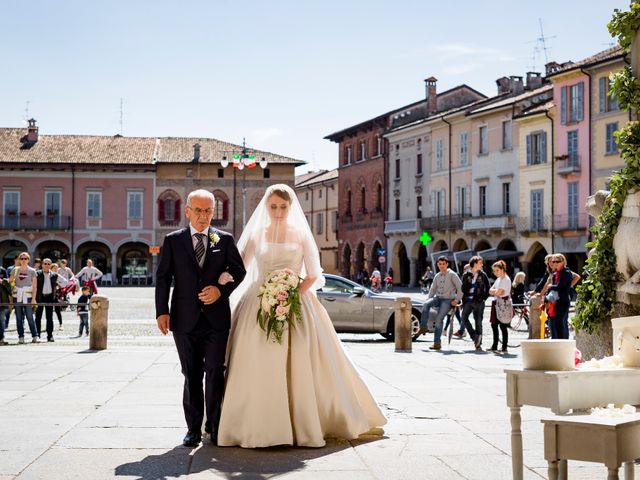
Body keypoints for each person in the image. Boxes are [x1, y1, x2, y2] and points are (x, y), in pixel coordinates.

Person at [218, 184, 386, 448]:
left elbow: (313, 274)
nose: (278, 211)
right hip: (257, 300)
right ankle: (253, 423)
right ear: (266, 207)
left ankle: (304, 423)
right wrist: (220, 282)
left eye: (283, 207)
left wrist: (291, 293)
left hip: (297, 299)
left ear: (290, 207)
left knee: (305, 359)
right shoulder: (255, 236)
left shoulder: (300, 235)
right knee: (255, 357)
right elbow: (239, 269)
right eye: (273, 206)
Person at [155, 189, 246, 448]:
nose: (203, 216)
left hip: (217, 321)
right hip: (183, 320)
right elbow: (163, 278)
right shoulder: (173, 240)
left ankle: (215, 427)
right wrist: (162, 311)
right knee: (191, 374)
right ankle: (193, 429)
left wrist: (221, 290)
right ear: (187, 211)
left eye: (208, 211)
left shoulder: (224, 240)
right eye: (198, 210)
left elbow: (239, 271)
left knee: (215, 372)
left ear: (213, 213)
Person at [417, 256, 462, 351]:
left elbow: (460, 288)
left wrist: (457, 300)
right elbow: (433, 289)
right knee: (426, 304)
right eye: (440, 264)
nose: (441, 266)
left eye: (443, 264)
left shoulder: (452, 274)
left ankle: (437, 343)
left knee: (438, 319)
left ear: (447, 264)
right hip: (437, 298)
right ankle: (423, 327)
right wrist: (428, 299)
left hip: (448, 300)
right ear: (437, 264)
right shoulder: (437, 275)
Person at [460, 256, 491, 351]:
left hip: (479, 301)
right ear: (474, 263)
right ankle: (474, 336)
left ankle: (478, 343)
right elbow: (462, 289)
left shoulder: (483, 275)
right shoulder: (466, 275)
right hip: (467, 301)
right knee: (464, 318)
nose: (482, 264)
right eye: (480, 263)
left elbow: (488, 287)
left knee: (478, 321)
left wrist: (484, 298)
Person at [11, 252, 39, 344]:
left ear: (28, 260)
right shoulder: (15, 270)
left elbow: (34, 286)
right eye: (22, 258)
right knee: (19, 318)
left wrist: (34, 299)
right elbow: (10, 281)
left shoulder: (32, 271)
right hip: (17, 295)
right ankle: (21, 336)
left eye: (25, 258)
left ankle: (35, 336)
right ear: (19, 259)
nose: (23, 260)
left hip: (28, 296)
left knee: (30, 317)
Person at [545, 254, 573, 339]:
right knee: (554, 324)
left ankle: (563, 343)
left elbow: (560, 286)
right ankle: (556, 343)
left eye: (557, 261)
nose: (555, 263)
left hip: (563, 302)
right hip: (555, 302)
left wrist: (550, 286)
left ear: (563, 262)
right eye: (553, 261)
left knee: (561, 324)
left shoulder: (566, 273)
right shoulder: (555, 273)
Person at [35, 258, 62, 342]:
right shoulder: (37, 274)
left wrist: (59, 285)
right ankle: (37, 335)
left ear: (50, 265)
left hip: (50, 297)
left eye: (48, 264)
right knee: (38, 317)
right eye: (45, 264)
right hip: (39, 297)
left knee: (49, 317)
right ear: (42, 264)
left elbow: (65, 282)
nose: (46, 265)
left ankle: (50, 336)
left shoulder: (54, 275)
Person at [489, 260, 512, 353]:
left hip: (503, 304)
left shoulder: (506, 279)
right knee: (494, 325)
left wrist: (495, 291)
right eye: (494, 271)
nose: (495, 272)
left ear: (502, 269)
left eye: (497, 270)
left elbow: (499, 292)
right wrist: (495, 291)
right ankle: (494, 346)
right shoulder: (498, 279)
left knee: (503, 326)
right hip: (496, 302)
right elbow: (490, 290)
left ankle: (504, 347)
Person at [48, 263, 68, 330]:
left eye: (57, 268)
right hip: (48, 295)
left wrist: (59, 284)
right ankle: (49, 325)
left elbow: (65, 282)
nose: (56, 269)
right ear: (51, 268)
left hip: (56, 295)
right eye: (55, 268)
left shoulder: (57, 275)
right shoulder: (48, 275)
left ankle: (61, 324)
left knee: (57, 310)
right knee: (49, 311)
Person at [0, 267, 10, 345]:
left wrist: (2, 281)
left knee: (2, 321)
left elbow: (9, 285)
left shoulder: (2, 270)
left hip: (2, 301)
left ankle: (1, 338)